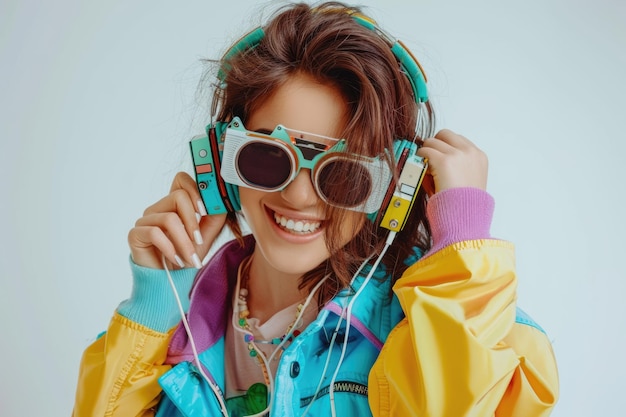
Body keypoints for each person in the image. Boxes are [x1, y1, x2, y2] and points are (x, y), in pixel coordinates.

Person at [72, 2, 559, 416]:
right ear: (221, 159)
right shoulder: (173, 326)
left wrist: (461, 254)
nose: (301, 196)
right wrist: (157, 303)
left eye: (344, 175)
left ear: (395, 187)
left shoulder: (462, 325)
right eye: (268, 158)